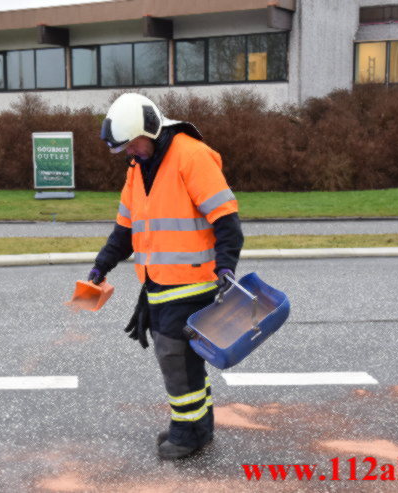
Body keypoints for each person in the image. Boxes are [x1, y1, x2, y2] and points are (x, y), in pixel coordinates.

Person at [88, 93, 244, 460]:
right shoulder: (137, 168)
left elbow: (227, 220)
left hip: (193, 282)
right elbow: (125, 230)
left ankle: (186, 434)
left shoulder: (191, 156)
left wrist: (226, 266)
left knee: (175, 358)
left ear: (151, 130)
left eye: (132, 144)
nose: (130, 151)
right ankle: (198, 427)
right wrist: (101, 265)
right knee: (186, 361)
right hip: (158, 283)